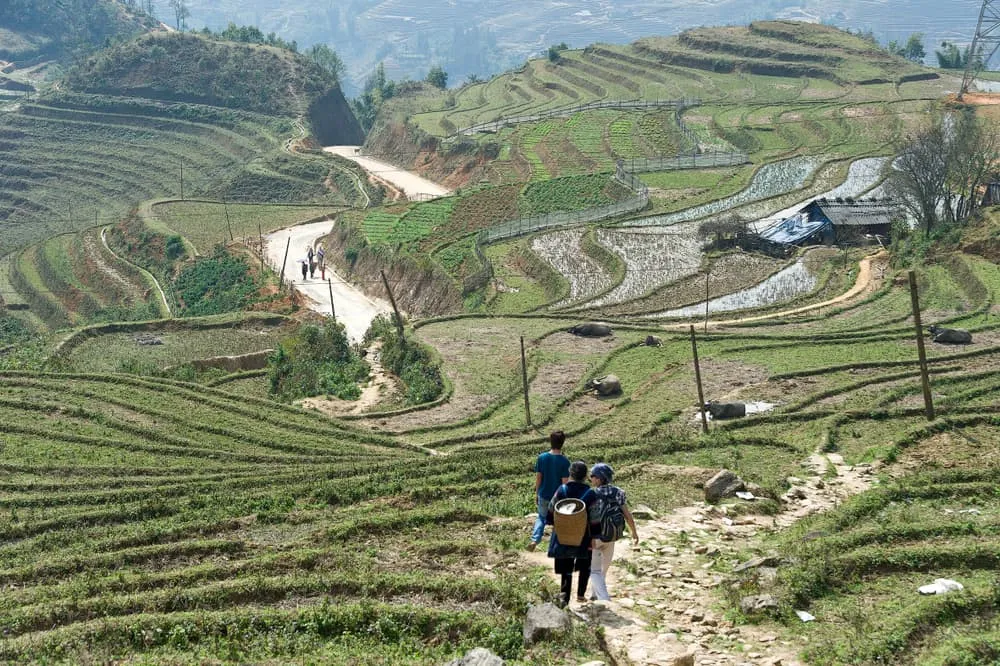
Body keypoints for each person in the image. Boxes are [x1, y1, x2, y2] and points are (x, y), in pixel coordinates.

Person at [546, 461, 596, 607]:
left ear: (570, 474)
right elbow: (595, 518)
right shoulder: (590, 493)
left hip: (563, 536)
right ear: (586, 476)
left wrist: (557, 524)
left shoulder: (561, 490)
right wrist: (594, 537)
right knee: (585, 564)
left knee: (566, 569)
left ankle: (564, 600)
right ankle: (581, 595)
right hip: (584, 537)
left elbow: (550, 511)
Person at [587, 462, 639, 601]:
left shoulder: (591, 494)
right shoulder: (619, 492)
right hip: (611, 537)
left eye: (592, 476)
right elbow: (627, 515)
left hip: (596, 538)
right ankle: (594, 594)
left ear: (599, 478)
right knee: (603, 570)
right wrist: (634, 532)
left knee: (594, 570)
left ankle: (604, 598)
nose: (590, 478)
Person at [529, 431, 570, 551]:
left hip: (543, 494)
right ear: (562, 443)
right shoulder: (565, 462)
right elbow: (565, 483)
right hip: (557, 498)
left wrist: (537, 493)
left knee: (541, 518)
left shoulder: (542, 458)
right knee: (558, 521)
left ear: (550, 441)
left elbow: (538, 478)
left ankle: (534, 540)